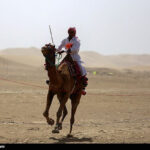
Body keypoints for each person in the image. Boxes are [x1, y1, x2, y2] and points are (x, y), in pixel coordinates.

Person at [57, 27, 88, 95]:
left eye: (73, 32)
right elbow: (60, 46)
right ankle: (53, 81)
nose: (73, 33)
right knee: (58, 67)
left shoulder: (77, 40)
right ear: (68, 32)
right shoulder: (65, 40)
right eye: (71, 32)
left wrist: (66, 51)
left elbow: (75, 49)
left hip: (74, 58)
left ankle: (82, 86)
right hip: (67, 57)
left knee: (81, 68)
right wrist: (57, 50)